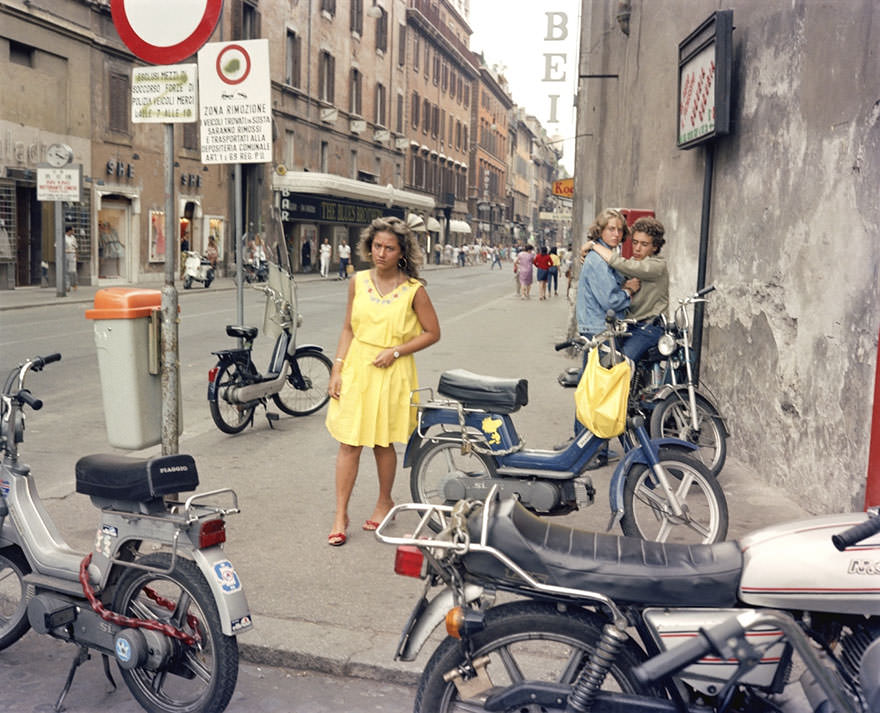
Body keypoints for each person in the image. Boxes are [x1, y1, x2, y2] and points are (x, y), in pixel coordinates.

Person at [325, 216, 441, 547]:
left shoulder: (413, 291)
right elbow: (348, 328)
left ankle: (384, 500)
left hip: (392, 370)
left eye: (389, 248)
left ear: (402, 251)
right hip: (358, 367)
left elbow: (433, 333)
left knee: (381, 442)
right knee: (349, 441)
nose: (381, 253)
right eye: (377, 246)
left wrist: (397, 351)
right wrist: (337, 369)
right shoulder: (357, 282)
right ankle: (339, 514)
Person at [583, 216, 668, 363]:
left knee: (621, 364)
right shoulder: (634, 262)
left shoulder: (657, 266)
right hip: (627, 327)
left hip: (648, 328)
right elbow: (616, 274)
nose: (637, 248)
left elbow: (622, 265)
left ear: (655, 246)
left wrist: (594, 246)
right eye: (634, 242)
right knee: (599, 358)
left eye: (644, 244)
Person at [64, 227, 77, 291]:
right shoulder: (63, 237)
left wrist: (75, 255)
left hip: (72, 254)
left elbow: (75, 247)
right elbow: (57, 246)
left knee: (72, 271)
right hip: (65, 254)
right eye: (72, 230)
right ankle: (67, 286)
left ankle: (74, 283)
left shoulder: (73, 238)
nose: (73, 231)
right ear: (69, 231)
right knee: (66, 271)